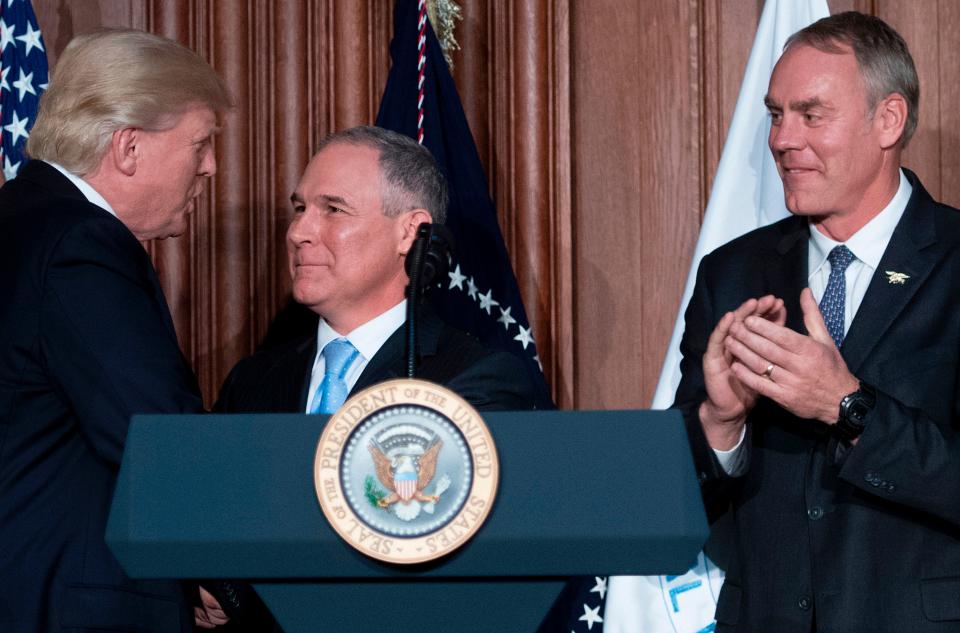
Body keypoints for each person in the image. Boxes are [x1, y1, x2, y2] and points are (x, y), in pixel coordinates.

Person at [677, 11, 960, 632]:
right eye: (777, 114)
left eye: (811, 114)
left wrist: (849, 406)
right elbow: (678, 500)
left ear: (888, 120)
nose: (781, 139)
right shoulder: (732, 273)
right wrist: (721, 423)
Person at [0, 29, 233, 632]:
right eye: (201, 143)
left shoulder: (21, 223)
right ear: (129, 147)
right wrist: (233, 572)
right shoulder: (81, 244)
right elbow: (154, 434)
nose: (210, 166)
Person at [216, 125, 537, 415]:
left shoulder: (472, 380)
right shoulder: (251, 381)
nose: (298, 232)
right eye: (300, 208)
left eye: (334, 210)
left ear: (410, 233)